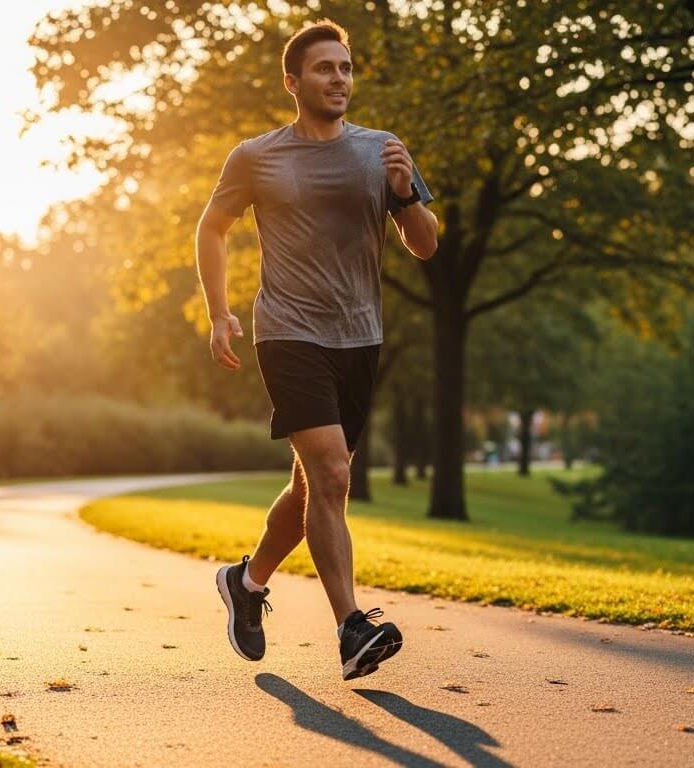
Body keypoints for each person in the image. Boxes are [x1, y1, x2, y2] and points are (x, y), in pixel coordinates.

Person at [194, 19, 437, 681]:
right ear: (292, 81)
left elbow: (424, 243)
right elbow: (211, 228)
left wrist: (407, 190)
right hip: (288, 332)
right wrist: (219, 313)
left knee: (311, 488)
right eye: (325, 68)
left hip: (360, 338)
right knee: (331, 475)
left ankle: (245, 582)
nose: (339, 79)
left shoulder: (382, 150)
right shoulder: (257, 156)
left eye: (346, 68)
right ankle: (350, 627)